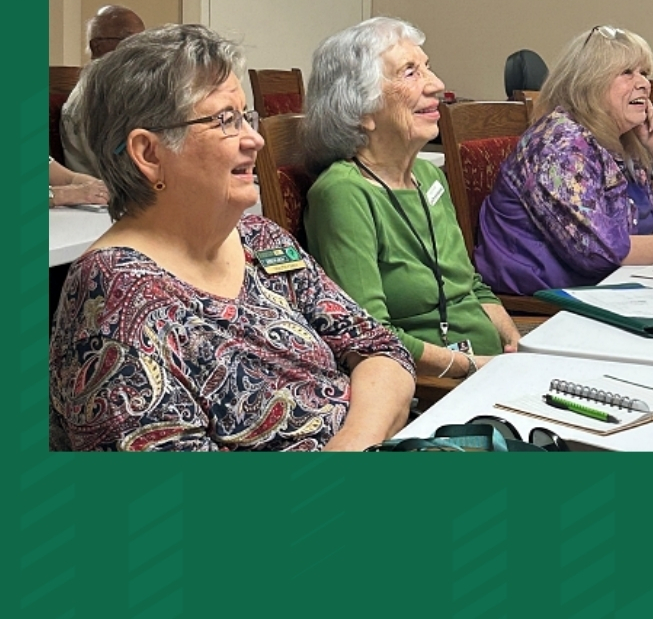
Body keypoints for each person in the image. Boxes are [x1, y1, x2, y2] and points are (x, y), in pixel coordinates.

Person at [49, 23, 416, 451]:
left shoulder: (258, 239)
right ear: (149, 153)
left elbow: (381, 348)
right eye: (225, 120)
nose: (255, 139)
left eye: (246, 116)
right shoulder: (116, 298)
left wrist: (354, 443)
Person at [302, 17, 522, 382]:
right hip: (431, 385)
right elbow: (370, 337)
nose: (436, 85)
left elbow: (472, 286)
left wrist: (517, 345)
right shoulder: (343, 194)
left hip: (492, 368)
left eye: (427, 68)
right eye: (410, 73)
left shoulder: (430, 176)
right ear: (361, 110)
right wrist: (476, 367)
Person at [474, 25, 653, 295]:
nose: (644, 83)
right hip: (551, 296)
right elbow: (600, 252)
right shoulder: (561, 144)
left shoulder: (622, 142)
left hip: (610, 284)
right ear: (588, 83)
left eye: (644, 73)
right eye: (627, 73)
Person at [59, 5, 146, 175]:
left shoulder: (122, 89)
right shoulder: (99, 93)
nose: (140, 50)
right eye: (129, 40)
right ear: (97, 46)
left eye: (143, 40)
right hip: (107, 194)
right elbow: (122, 171)